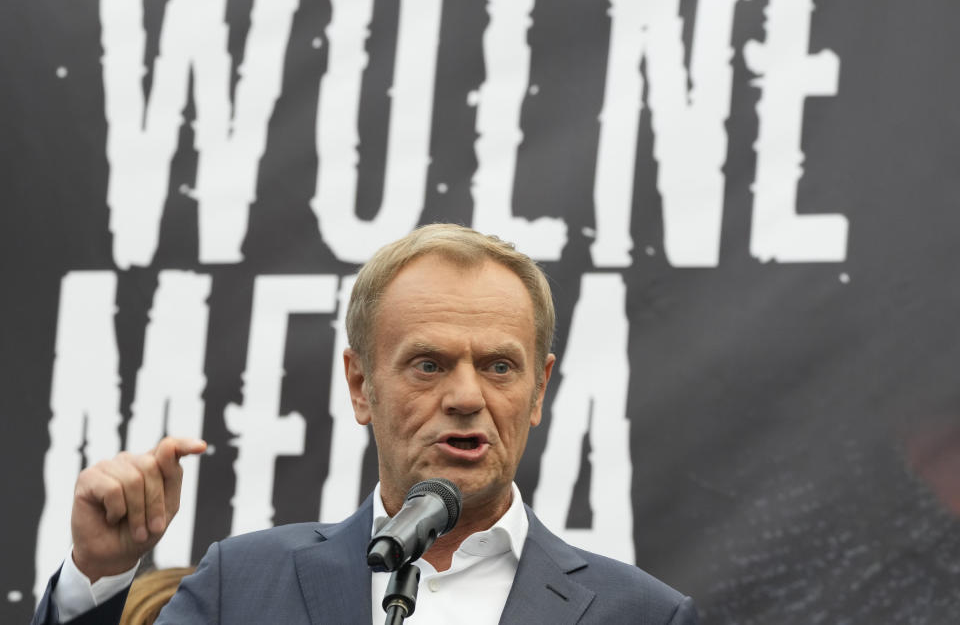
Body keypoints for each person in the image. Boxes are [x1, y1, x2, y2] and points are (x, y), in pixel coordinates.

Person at [33, 223, 699, 624]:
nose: (467, 396)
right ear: (360, 385)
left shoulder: (641, 615)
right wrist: (98, 573)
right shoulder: (244, 584)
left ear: (538, 389)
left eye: (499, 366)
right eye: (429, 364)